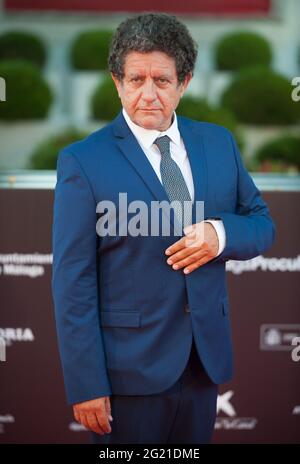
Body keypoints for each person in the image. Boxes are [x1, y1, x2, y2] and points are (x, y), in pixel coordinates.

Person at [51, 13, 275, 444]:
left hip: (202, 365)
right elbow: (72, 281)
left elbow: (262, 224)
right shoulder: (83, 161)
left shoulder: (218, 143)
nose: (149, 95)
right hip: (126, 375)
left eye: (162, 80)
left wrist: (218, 234)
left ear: (185, 82)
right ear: (116, 82)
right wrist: (86, 383)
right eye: (136, 80)